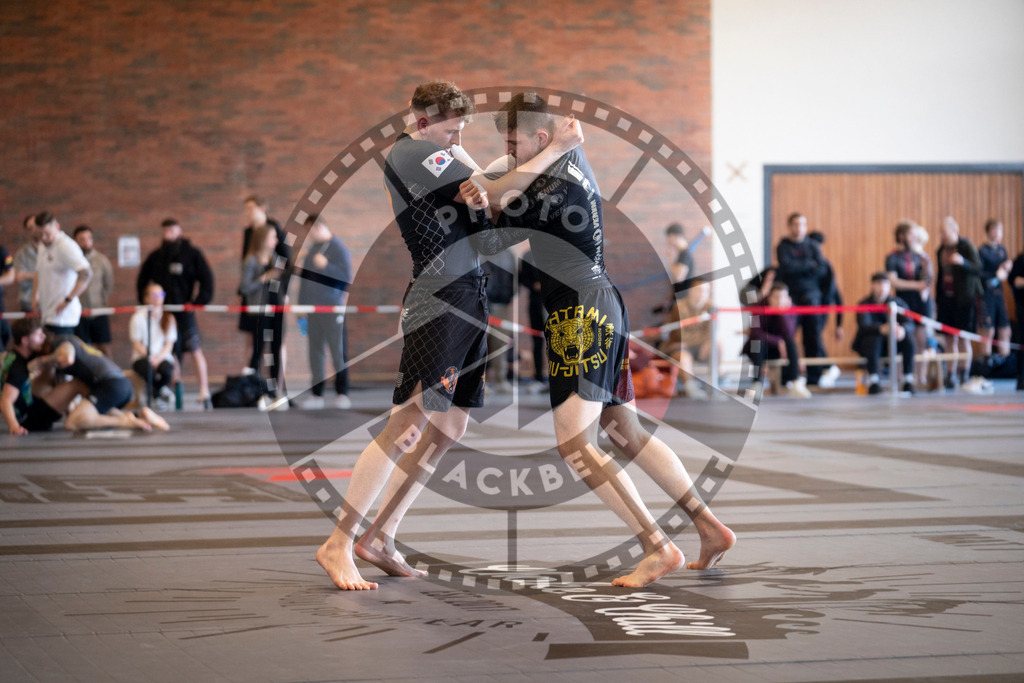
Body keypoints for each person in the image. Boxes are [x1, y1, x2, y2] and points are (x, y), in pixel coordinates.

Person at [424, 92, 734, 586]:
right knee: (626, 433)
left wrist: (480, 199)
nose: (508, 151)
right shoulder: (567, 158)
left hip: (580, 313)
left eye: (514, 143)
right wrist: (509, 171)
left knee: (575, 444)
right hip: (602, 301)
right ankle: (709, 527)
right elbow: (498, 184)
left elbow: (494, 225)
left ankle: (658, 547)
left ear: (541, 137)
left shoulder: (547, 186)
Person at [316, 80, 586, 591]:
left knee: (450, 426)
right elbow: (496, 187)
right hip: (439, 297)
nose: (457, 140)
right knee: (406, 424)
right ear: (423, 123)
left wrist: (487, 182)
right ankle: (338, 542)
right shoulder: (412, 151)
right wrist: (556, 148)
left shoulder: (439, 156)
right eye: (451, 132)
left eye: (461, 131)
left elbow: (487, 212)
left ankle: (381, 536)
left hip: (469, 295)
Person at [137, 218, 214, 409]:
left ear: (179, 231)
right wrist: (147, 304)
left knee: (194, 348)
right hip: (163, 313)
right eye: (165, 231)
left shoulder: (192, 254)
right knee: (169, 351)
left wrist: (196, 303)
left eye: (172, 231)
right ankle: (168, 390)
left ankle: (204, 391)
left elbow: (207, 280)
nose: (168, 235)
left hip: (184, 311)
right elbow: (142, 280)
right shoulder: (157, 256)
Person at [31, 331, 168, 432]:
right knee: (87, 399)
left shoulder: (60, 342)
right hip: (118, 383)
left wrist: (40, 361)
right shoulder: (71, 342)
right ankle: (138, 416)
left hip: (111, 384)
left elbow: (68, 357)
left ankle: (125, 421)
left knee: (72, 422)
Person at [297, 215, 353, 410]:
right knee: (315, 352)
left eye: (311, 231)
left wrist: (326, 266)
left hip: (332, 308)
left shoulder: (338, 249)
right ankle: (316, 394)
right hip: (313, 309)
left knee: (338, 352)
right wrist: (301, 307)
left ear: (319, 227)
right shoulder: (312, 250)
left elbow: (346, 278)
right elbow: (304, 281)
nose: (310, 235)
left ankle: (342, 393)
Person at [776, 213, 828, 385]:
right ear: (790, 226)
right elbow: (786, 268)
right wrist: (809, 265)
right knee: (788, 336)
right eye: (796, 224)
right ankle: (788, 377)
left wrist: (799, 267)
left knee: (813, 337)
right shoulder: (783, 246)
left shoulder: (812, 245)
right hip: (791, 299)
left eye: (802, 224)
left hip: (812, 299)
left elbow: (821, 269)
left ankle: (814, 377)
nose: (799, 228)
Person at [1, 319, 77, 434]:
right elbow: (6, 400)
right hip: (30, 419)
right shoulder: (18, 367)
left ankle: (71, 410)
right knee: (76, 385)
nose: (43, 337)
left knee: (50, 369)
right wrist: (15, 426)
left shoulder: (15, 356)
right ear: (25, 340)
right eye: (38, 335)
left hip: (29, 406)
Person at [239, 225, 287, 405]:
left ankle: (275, 392)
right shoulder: (251, 260)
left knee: (276, 348)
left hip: (276, 308)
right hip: (260, 310)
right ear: (263, 239)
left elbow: (280, 280)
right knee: (258, 350)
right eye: (272, 237)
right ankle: (252, 390)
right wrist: (263, 278)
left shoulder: (275, 257)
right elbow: (244, 288)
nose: (275, 241)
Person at [935, 216, 982, 389]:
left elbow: (978, 267)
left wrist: (963, 262)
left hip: (964, 299)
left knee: (964, 338)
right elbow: (940, 276)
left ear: (954, 230)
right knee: (949, 339)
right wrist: (937, 298)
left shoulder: (966, 246)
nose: (942, 235)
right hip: (946, 299)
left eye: (944, 232)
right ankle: (950, 374)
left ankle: (964, 373)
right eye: (940, 232)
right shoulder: (940, 250)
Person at [886, 220, 934, 386]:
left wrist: (926, 271)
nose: (914, 237)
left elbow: (928, 278)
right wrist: (916, 285)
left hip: (921, 302)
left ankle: (920, 376)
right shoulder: (893, 257)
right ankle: (904, 376)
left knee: (921, 339)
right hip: (903, 301)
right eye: (911, 234)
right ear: (901, 236)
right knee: (904, 338)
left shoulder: (920, 255)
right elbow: (893, 281)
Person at [742, 282, 811, 399]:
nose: (779, 300)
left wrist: (782, 314)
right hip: (760, 349)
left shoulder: (791, 308)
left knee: (791, 342)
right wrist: (778, 341)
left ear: (787, 298)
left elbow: (789, 333)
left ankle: (795, 383)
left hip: (780, 350)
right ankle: (757, 384)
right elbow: (755, 332)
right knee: (758, 342)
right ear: (769, 297)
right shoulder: (759, 307)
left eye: (783, 297)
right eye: (776, 297)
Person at [853, 272, 916, 394]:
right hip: (871, 345)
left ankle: (908, 380)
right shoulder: (864, 303)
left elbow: (910, 322)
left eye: (885, 284)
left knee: (909, 340)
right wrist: (880, 329)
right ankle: (874, 381)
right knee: (873, 339)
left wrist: (902, 330)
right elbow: (863, 325)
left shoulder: (897, 303)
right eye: (878, 284)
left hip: (893, 343)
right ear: (872, 285)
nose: (882, 287)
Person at [31, 212, 92, 336]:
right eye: (39, 234)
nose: (43, 238)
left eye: (47, 233)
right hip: (47, 314)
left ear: (57, 227)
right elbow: (39, 272)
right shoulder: (43, 245)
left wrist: (68, 300)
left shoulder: (66, 246)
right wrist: (35, 296)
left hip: (63, 318)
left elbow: (86, 273)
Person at [661, 277, 718, 398]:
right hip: (680, 348)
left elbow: (711, 333)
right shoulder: (679, 307)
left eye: (706, 291)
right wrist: (700, 339)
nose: (703, 294)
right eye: (699, 290)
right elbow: (679, 335)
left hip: (698, 347)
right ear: (691, 291)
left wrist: (704, 341)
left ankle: (715, 382)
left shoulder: (711, 307)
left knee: (717, 344)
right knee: (684, 357)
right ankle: (691, 387)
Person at [129, 282, 178, 410]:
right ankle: (159, 394)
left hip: (161, 357)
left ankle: (156, 393)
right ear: (147, 298)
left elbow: (169, 344)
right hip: (143, 356)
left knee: (167, 370)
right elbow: (137, 343)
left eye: (161, 294)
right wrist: (150, 357)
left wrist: (158, 358)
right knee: (148, 370)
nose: (159, 298)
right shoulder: (138, 317)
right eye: (155, 295)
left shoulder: (168, 317)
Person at [806, 231, 843, 388]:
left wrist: (839, 324)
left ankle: (828, 366)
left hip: (821, 308)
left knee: (814, 338)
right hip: (808, 308)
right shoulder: (805, 265)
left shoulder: (824, 265)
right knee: (810, 340)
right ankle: (814, 376)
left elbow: (836, 294)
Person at [72, 225, 115, 357]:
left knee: (103, 347)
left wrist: (101, 300)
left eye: (89, 238)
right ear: (75, 241)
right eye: (82, 239)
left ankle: (108, 370)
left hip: (99, 310)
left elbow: (108, 284)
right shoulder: (72, 261)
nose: (86, 242)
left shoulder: (101, 260)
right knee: (80, 347)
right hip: (79, 312)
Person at [978, 219, 1013, 359]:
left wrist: (1007, 268)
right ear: (988, 232)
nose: (998, 233)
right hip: (987, 294)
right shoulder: (983, 251)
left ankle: (1005, 362)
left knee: (1005, 328)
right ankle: (986, 364)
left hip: (999, 293)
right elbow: (979, 274)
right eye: (995, 230)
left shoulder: (1002, 250)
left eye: (1000, 230)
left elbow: (1005, 274)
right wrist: (996, 275)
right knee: (988, 330)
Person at [518, 250, 548, 391]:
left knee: (557, 339)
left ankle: (559, 378)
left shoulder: (553, 251)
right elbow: (523, 279)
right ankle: (539, 378)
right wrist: (534, 284)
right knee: (537, 341)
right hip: (535, 302)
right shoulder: (528, 256)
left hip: (553, 301)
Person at [13, 214, 40, 313]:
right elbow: (18, 276)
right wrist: (39, 275)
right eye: (31, 228)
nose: (35, 230)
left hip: (52, 302)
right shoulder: (22, 253)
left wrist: (28, 275)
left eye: (37, 226)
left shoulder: (55, 249)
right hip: (28, 302)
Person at [1008, 250, 1024, 391]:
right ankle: (1021, 379)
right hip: (1022, 308)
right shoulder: (1020, 260)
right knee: (1022, 343)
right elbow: (1014, 281)